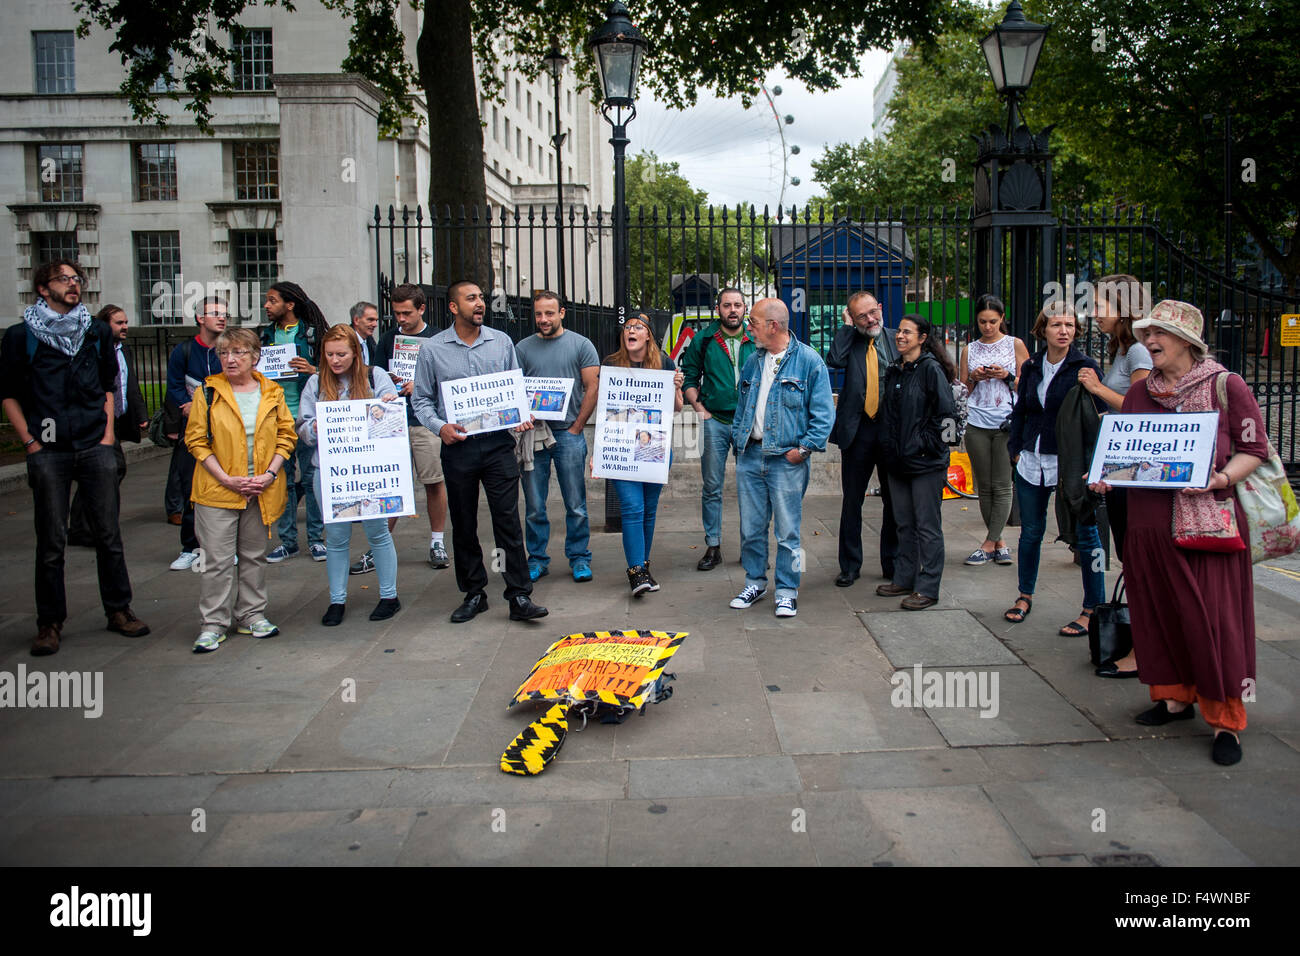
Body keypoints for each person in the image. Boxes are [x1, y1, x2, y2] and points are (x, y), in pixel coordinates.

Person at [1089, 300, 1265, 766]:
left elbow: (1254, 449)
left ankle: (1225, 718)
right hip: (1148, 523)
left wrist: (1222, 478)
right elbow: (1131, 447)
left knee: (1212, 620)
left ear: (1187, 341)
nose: (1150, 341)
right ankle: (1173, 699)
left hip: (1205, 524)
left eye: (1160, 334)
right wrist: (1109, 473)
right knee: (1158, 613)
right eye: (1148, 333)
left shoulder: (1226, 385)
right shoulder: (1144, 392)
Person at [1, 260, 150, 655]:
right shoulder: (21, 337)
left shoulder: (96, 332)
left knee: (108, 534)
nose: (73, 285)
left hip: (92, 445)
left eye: (76, 279)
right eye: (63, 279)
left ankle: (119, 609)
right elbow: (9, 393)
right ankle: (49, 622)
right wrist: (30, 443)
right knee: (51, 540)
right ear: (42, 288)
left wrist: (105, 437)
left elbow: (107, 385)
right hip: (48, 449)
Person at [411, 279, 547, 623]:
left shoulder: (500, 342)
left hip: (499, 446)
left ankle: (518, 594)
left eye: (481, 298)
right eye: (471, 299)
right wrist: (439, 427)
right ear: (454, 307)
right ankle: (474, 592)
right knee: (465, 523)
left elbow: (515, 389)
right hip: (458, 448)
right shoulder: (432, 349)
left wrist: (520, 413)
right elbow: (422, 398)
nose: (480, 304)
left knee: (507, 521)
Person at [185, 328, 296, 652]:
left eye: (238, 353)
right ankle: (213, 623)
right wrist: (226, 478)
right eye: (224, 353)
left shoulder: (272, 392)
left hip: (260, 489)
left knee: (253, 556)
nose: (230, 359)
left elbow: (286, 436)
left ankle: (251, 614)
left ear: (255, 357)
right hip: (218, 490)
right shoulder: (207, 392)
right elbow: (196, 440)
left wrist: (269, 475)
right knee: (217, 560)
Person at [1003, 301, 1106, 634]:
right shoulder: (1032, 366)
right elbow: (1021, 411)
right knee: (1030, 532)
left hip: (1070, 463)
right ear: (1042, 330)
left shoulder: (1085, 366)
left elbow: (1100, 416)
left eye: (1070, 325)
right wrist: (1015, 449)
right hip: (1032, 460)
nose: (1064, 331)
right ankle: (1024, 595)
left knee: (1087, 536)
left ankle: (1093, 608)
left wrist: (1094, 464)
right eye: (1057, 325)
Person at [728, 298, 833, 618]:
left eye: (754, 322)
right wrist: (738, 441)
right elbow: (741, 406)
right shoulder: (752, 361)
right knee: (751, 529)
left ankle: (788, 590)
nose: (749, 327)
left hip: (786, 460)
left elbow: (824, 415)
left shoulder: (809, 361)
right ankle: (755, 582)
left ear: (773, 326)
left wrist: (803, 450)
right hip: (750, 456)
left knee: (788, 531)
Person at [298, 325, 403, 626]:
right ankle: (337, 600)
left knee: (377, 531)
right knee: (337, 537)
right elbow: (303, 429)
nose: (335, 360)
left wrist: (386, 405)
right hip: (330, 471)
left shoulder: (374, 376)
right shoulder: (315, 383)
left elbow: (392, 410)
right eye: (329, 354)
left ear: (355, 353)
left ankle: (389, 596)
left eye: (341, 354)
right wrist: (315, 428)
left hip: (369, 469)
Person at [1076, 274, 1153, 678]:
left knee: (1136, 559)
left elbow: (1138, 412)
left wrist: (1097, 388)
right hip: (1123, 470)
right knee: (1128, 556)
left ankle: (1143, 651)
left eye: (1099, 305)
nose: (1092, 314)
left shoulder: (1139, 351)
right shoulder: (1124, 351)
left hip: (1138, 473)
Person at [874, 315, 958, 610]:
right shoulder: (895, 370)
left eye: (907, 332)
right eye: (899, 331)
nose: (900, 336)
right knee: (903, 524)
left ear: (922, 338)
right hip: (897, 463)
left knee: (927, 527)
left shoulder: (931, 370)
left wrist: (930, 449)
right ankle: (904, 578)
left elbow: (948, 417)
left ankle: (928, 587)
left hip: (925, 465)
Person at [515, 290, 600, 582]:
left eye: (549, 313)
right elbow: (515, 391)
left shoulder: (582, 345)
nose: (543, 319)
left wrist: (577, 427)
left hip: (568, 433)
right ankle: (537, 558)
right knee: (534, 503)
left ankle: (579, 558)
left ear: (562, 313)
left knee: (575, 502)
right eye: (539, 314)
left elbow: (593, 387)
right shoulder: (522, 348)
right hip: (533, 435)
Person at [366, 283, 450, 572]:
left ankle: (437, 541)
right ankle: (379, 545)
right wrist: (388, 386)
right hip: (393, 423)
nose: (400, 319)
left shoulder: (438, 338)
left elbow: (449, 379)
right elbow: (374, 377)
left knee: (433, 482)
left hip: (426, 422)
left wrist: (421, 385)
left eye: (406, 313)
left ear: (421, 309)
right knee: (390, 485)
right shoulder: (388, 339)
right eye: (397, 313)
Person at [602, 316, 685, 596]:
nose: (631, 331)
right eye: (627, 327)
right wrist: (598, 452)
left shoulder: (664, 363)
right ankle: (636, 572)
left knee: (648, 510)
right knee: (632, 509)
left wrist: (675, 387)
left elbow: (677, 408)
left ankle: (644, 566)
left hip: (655, 447)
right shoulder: (611, 364)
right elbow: (604, 410)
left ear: (648, 336)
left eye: (637, 328)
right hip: (620, 447)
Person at [826, 290, 900, 586]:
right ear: (852, 318)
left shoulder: (898, 337)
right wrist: (846, 327)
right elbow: (834, 359)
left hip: (891, 429)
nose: (870, 319)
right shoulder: (851, 340)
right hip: (858, 431)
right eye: (861, 316)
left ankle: (891, 563)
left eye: (873, 312)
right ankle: (850, 565)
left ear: (880, 308)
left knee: (894, 502)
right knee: (852, 501)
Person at [679, 288, 755, 571]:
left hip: (750, 424)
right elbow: (689, 376)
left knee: (751, 488)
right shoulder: (704, 339)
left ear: (745, 308)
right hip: (716, 423)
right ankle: (713, 546)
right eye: (727, 305)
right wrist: (701, 411)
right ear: (718, 308)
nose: (732, 310)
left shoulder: (755, 337)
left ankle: (751, 547)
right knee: (712, 487)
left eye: (737, 305)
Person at [957, 294, 1029, 567]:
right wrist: (974, 377)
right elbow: (962, 389)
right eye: (982, 322)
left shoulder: (1015, 345)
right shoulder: (970, 350)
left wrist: (1007, 376)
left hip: (1006, 421)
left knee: (1002, 483)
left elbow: (1029, 383)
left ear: (1002, 319)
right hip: (977, 420)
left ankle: (988, 543)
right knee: (983, 485)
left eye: (993, 322)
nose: (987, 327)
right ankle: (998, 542)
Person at [68, 304, 148, 545]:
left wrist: (140, 412)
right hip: (98, 421)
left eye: (125, 322)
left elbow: (129, 384)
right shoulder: (92, 351)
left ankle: (84, 525)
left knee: (99, 474)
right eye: (119, 323)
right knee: (111, 469)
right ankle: (93, 526)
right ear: (104, 326)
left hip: (118, 419)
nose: (125, 327)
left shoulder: (125, 351)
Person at [261, 281, 329, 563]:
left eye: (272, 300)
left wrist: (313, 369)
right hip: (275, 418)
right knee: (282, 481)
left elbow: (335, 371)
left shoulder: (312, 335)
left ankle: (316, 539)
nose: (267, 305)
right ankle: (287, 541)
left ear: (289, 305)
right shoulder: (265, 336)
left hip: (307, 418)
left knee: (312, 478)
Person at [164, 296, 226, 570]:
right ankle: (190, 546)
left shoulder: (229, 350)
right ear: (200, 318)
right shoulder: (184, 351)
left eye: (225, 313)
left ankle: (223, 548)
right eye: (215, 313)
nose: (222, 317)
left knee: (226, 488)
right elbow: (175, 387)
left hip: (225, 432)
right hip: (194, 432)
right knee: (192, 489)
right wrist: (188, 406)